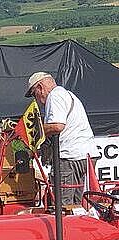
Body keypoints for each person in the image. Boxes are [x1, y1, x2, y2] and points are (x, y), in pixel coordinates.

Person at [25, 72, 98, 205]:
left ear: (40, 87)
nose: (36, 100)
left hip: (70, 157)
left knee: (62, 204)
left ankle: (63, 218)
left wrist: (36, 131)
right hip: (84, 155)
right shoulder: (67, 94)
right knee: (77, 205)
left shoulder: (54, 96)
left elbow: (57, 126)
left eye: (34, 94)